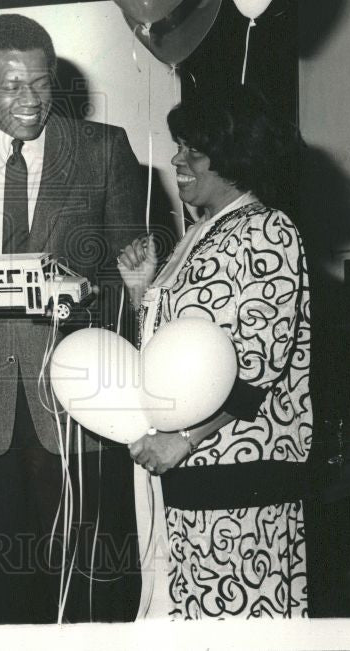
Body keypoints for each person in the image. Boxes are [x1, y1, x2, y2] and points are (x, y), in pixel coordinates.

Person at [0, 13, 145, 623]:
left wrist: (81, 300)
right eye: (13, 86)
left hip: (77, 406)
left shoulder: (102, 150)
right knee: (1, 577)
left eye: (42, 84)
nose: (32, 100)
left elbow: (137, 279)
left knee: (89, 577)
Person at [117, 84, 312, 619]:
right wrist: (142, 291)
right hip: (192, 467)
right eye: (179, 145)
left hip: (241, 472)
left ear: (233, 156)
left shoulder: (268, 231)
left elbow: (259, 367)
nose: (178, 160)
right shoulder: (202, 232)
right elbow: (169, 355)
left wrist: (183, 438)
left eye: (193, 150)